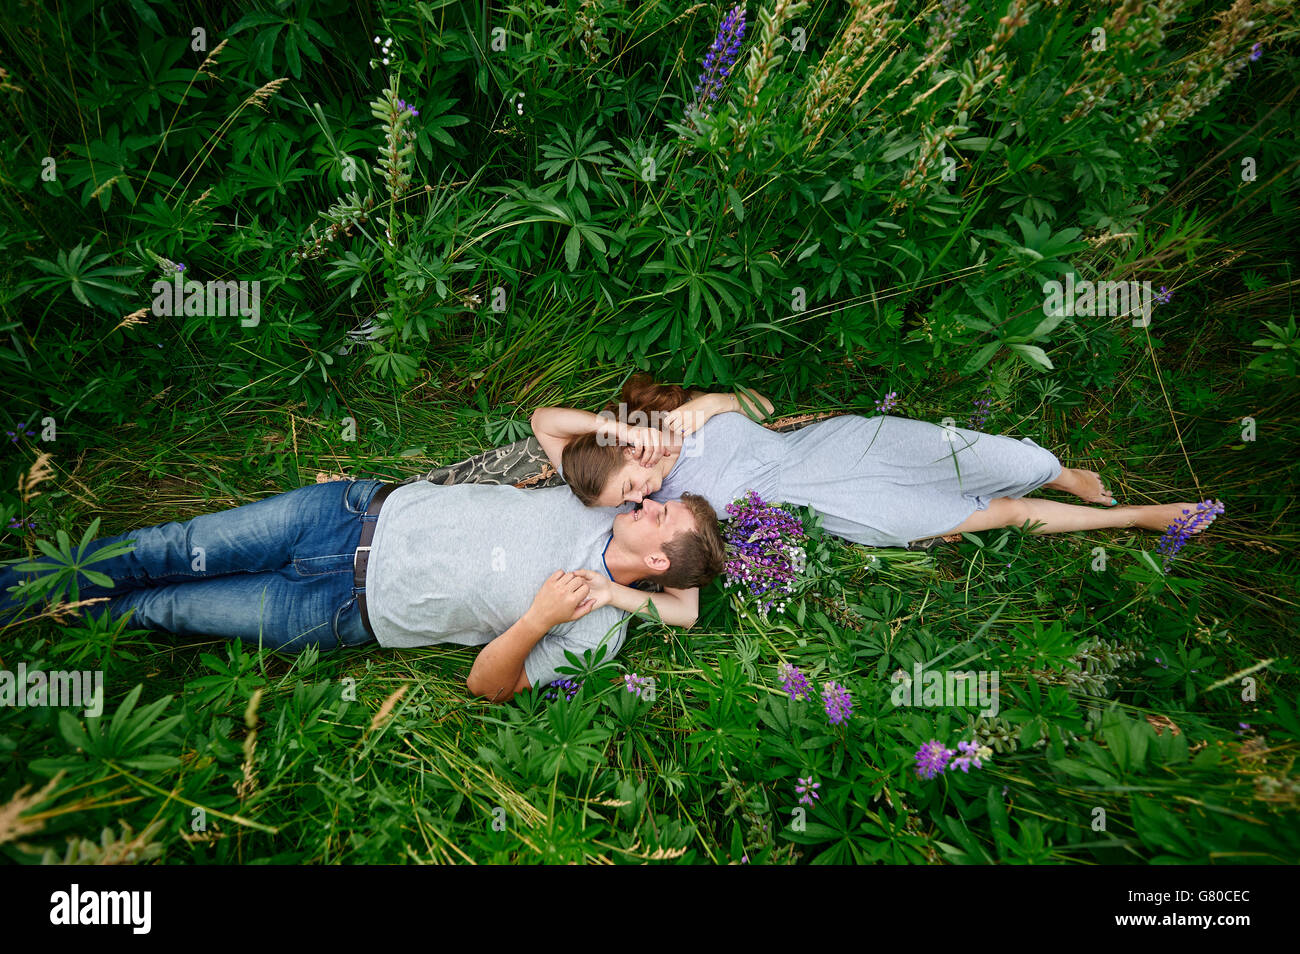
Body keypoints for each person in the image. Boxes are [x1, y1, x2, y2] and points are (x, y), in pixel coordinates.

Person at [530, 375, 1218, 625]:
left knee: (1019, 461)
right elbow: (543, 432)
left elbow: (762, 405)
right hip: (836, 511)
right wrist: (628, 469)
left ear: (618, 444)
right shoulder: (670, 509)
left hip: (844, 448)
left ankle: (1064, 474)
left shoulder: (676, 422)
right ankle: (1133, 517)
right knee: (990, 514)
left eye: (630, 481)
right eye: (630, 498)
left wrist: (683, 410)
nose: (642, 492)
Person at [0, 478, 726, 703]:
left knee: (168, 607)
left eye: (661, 515)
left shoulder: (598, 634)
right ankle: (15, 591)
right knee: (169, 546)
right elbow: (547, 425)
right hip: (345, 513)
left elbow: (487, 687)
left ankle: (47, 624)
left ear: (660, 561)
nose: (649, 502)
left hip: (337, 610)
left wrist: (538, 618)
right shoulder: (601, 496)